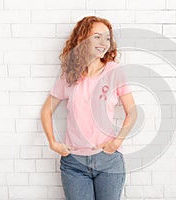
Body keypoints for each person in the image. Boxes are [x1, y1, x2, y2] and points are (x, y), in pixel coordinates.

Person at [40, 16, 137, 200]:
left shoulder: (114, 71)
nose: (104, 43)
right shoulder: (69, 74)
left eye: (107, 38)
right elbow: (46, 110)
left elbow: (132, 111)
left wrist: (116, 143)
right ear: (82, 39)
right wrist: (53, 143)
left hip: (107, 161)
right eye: (97, 37)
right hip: (73, 164)